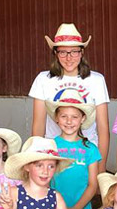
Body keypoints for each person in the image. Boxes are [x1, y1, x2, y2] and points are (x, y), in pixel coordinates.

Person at [29, 23, 110, 170]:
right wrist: (38, 159)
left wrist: (101, 166)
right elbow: (38, 125)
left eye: (74, 51)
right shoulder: (43, 79)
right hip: (53, 154)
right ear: (55, 53)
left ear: (82, 52)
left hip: (86, 154)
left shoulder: (96, 80)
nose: (69, 58)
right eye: (63, 52)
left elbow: (103, 128)